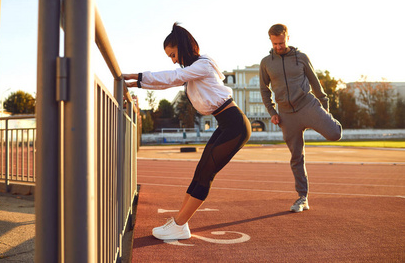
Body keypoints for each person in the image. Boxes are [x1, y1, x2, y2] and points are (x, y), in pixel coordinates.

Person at [124, 23, 251, 240]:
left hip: (235, 124)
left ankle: (180, 224)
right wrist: (136, 83)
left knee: (206, 175)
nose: (173, 59)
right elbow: (168, 81)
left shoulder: (203, 65)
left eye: (173, 54)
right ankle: (179, 224)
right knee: (200, 172)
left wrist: (134, 76)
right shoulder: (192, 71)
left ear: (182, 47)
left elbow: (172, 77)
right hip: (226, 123)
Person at [259, 24, 342, 213]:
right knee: (297, 157)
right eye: (275, 43)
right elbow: (264, 89)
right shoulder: (266, 62)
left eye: (281, 42)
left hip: (307, 105)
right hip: (286, 114)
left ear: (288, 38)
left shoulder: (301, 58)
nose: (279, 46)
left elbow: (315, 81)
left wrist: (324, 107)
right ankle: (302, 198)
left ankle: (327, 121)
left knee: (334, 134)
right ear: (270, 40)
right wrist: (273, 113)